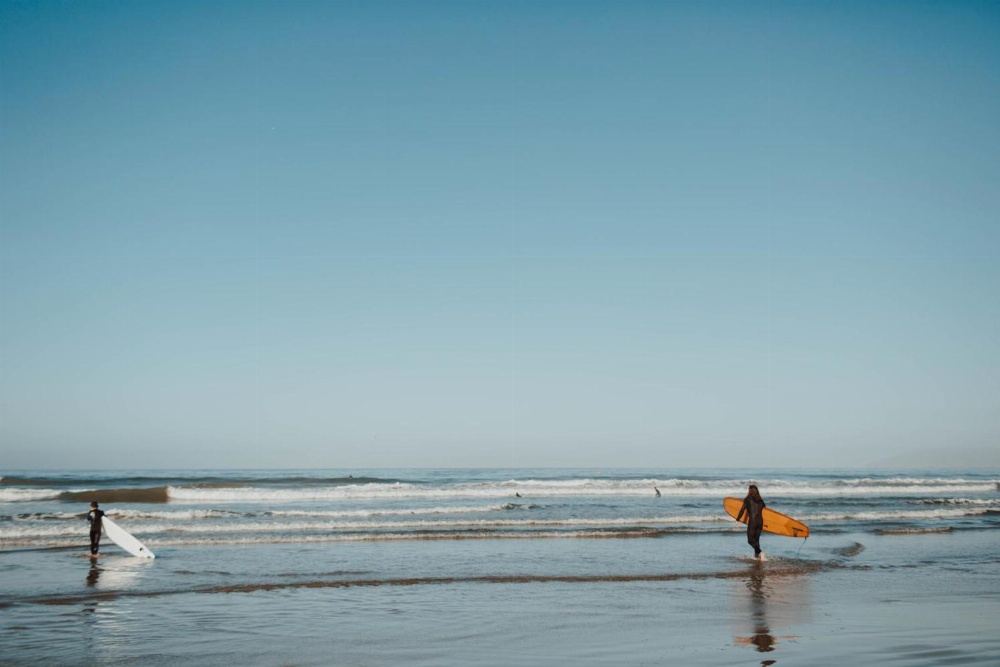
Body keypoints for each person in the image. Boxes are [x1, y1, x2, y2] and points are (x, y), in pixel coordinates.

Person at [736, 484, 766, 560]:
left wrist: (737, 519)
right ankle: (757, 557)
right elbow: (765, 511)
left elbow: (742, 510)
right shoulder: (760, 500)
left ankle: (760, 552)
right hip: (760, 521)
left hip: (753, 522)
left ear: (750, 490)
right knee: (756, 541)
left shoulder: (747, 499)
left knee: (750, 541)